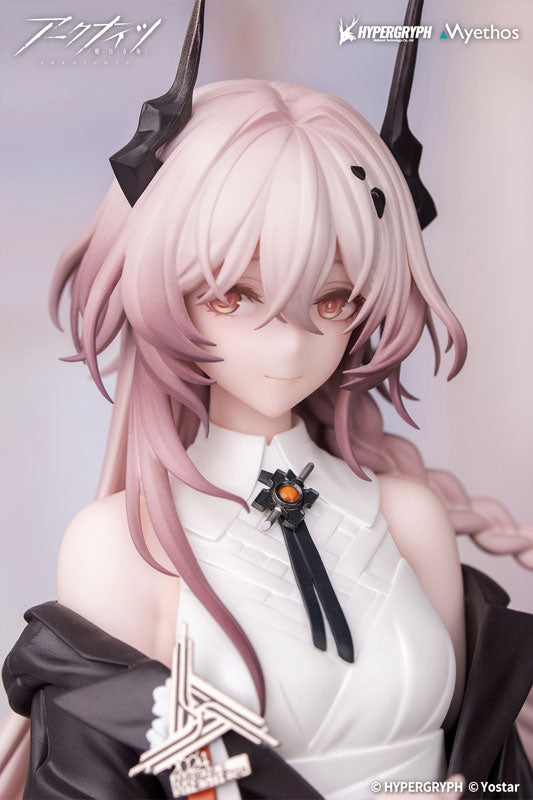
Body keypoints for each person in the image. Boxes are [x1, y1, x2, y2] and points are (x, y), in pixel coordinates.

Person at [2, 4, 532, 799]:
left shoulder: (406, 518)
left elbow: (478, 761)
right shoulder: (122, 546)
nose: (288, 345)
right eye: (233, 295)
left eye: (333, 300)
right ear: (161, 286)